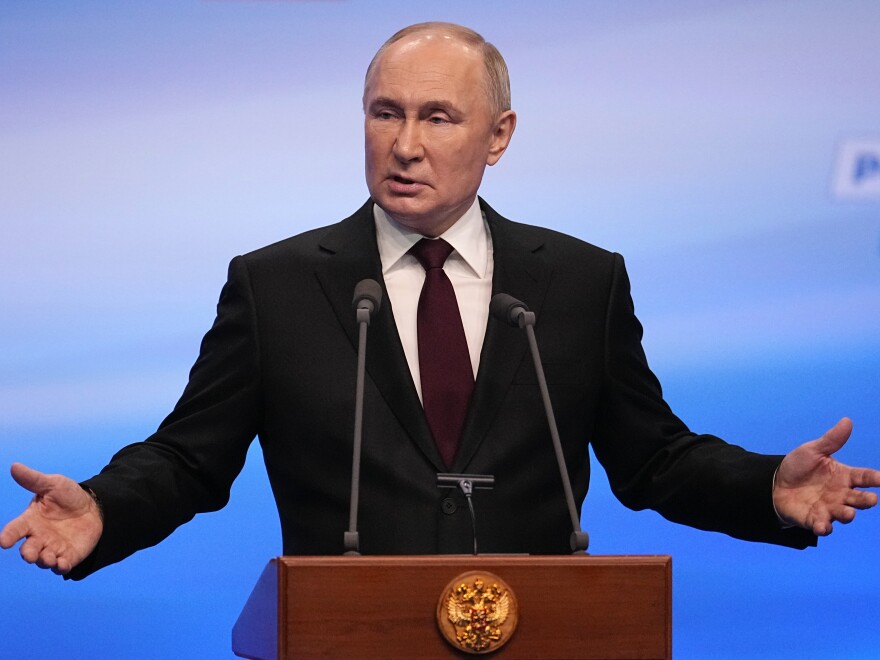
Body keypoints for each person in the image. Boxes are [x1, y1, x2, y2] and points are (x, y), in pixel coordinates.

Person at [2, 22, 879, 580]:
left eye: (438, 117)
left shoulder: (581, 282)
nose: (405, 145)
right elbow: (189, 459)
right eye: (385, 113)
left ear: (499, 136)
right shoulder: (276, 285)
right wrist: (105, 508)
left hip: (539, 638)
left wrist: (766, 486)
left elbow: (654, 459)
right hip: (346, 642)